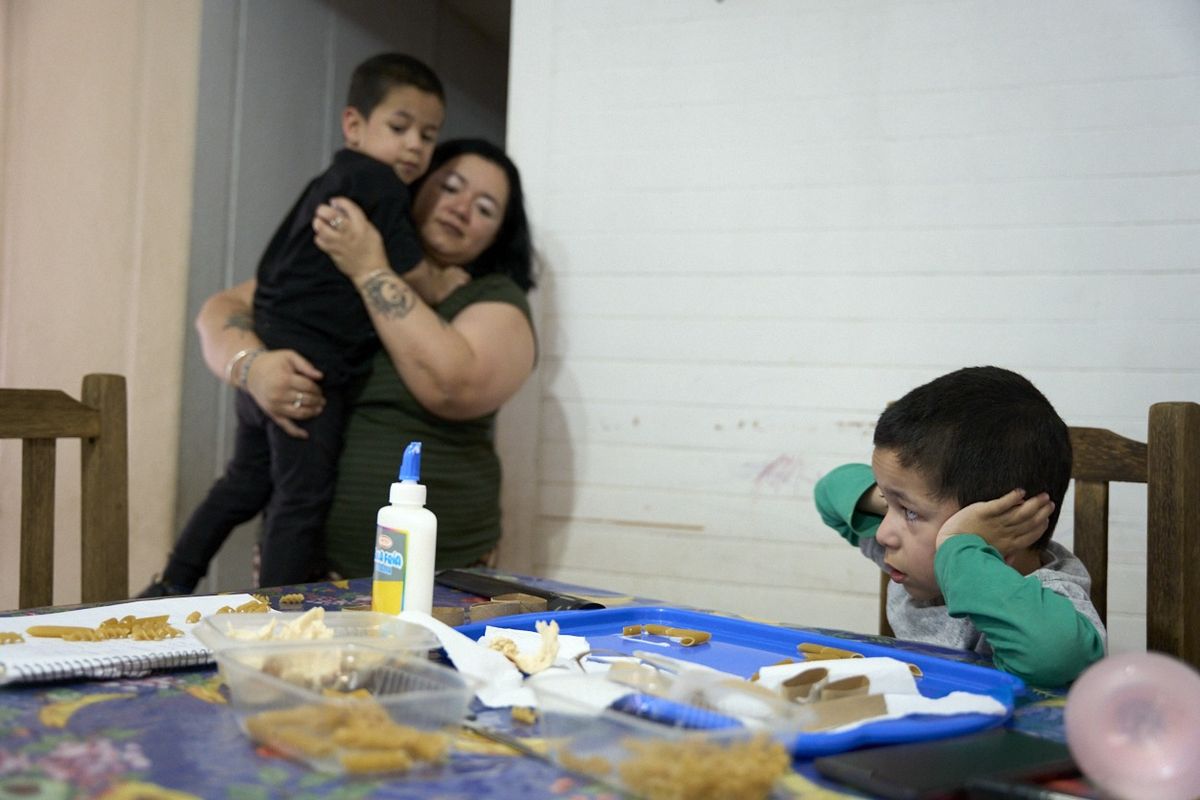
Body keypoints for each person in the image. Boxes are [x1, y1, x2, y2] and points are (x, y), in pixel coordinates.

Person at [160, 138, 536, 590]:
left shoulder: (494, 300)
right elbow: (220, 311)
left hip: (437, 583)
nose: (461, 208)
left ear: (499, 234)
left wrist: (369, 267)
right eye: (450, 187)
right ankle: (170, 584)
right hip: (308, 575)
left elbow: (450, 383)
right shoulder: (333, 259)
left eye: (485, 209)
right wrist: (252, 367)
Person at [139, 53, 446, 595]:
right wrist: (448, 283)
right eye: (400, 128)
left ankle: (172, 583)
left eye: (428, 135)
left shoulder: (331, 180)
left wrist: (255, 357)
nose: (415, 146)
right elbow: (414, 277)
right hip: (310, 370)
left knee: (245, 482)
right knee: (301, 497)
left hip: (270, 351)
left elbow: (268, 268)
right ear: (354, 125)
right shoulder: (379, 185)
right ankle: (276, 612)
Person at [814, 366, 1106, 686]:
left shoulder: (1051, 598)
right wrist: (897, 502)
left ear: (1001, 520)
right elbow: (829, 491)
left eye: (909, 512)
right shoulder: (915, 565)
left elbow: (1056, 657)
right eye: (888, 503)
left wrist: (961, 548)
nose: (882, 534)